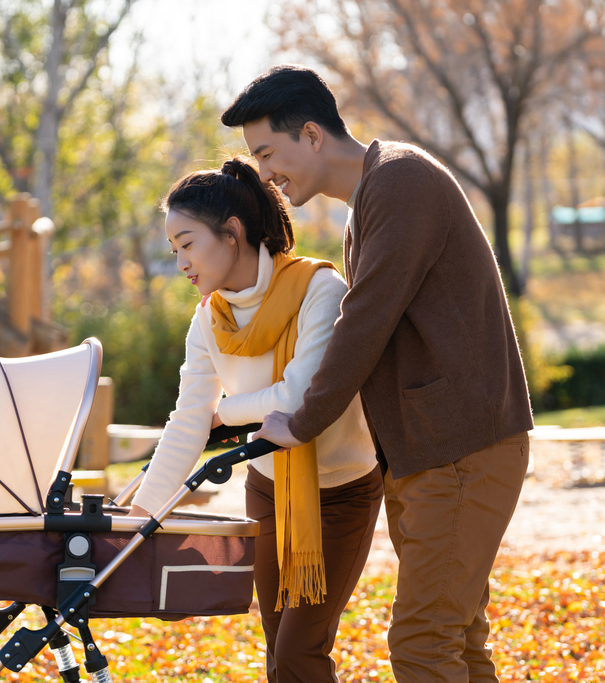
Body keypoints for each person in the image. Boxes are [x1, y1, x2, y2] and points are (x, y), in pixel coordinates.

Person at [222, 65, 535, 683]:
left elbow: (362, 322)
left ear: (311, 134)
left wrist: (304, 420)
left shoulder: (400, 182)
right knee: (460, 641)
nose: (264, 175)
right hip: (432, 452)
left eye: (267, 153)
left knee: (423, 644)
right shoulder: (372, 197)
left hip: (462, 450)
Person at [129, 158, 383, 683]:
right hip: (267, 488)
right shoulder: (209, 318)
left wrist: (225, 412)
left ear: (232, 233)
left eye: (187, 243)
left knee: (298, 654)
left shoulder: (318, 289)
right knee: (276, 652)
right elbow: (185, 422)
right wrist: (140, 516)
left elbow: (300, 395)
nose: (181, 263)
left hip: (340, 492)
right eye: (174, 250)